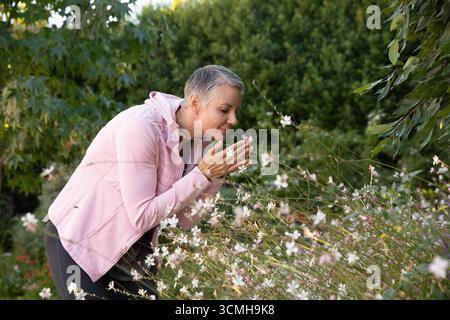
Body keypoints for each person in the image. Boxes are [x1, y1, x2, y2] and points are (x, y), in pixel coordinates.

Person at [43, 65, 251, 299]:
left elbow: (182, 220)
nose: (233, 120)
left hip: (134, 254)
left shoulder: (202, 142)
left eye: (235, 111)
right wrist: (201, 174)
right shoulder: (140, 127)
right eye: (225, 110)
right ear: (195, 104)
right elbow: (142, 216)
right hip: (79, 243)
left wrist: (214, 176)